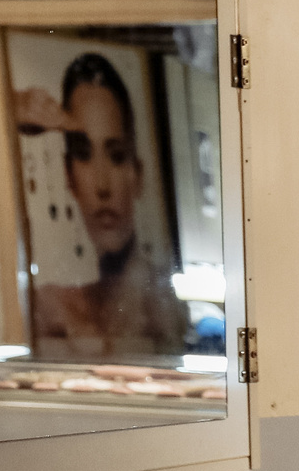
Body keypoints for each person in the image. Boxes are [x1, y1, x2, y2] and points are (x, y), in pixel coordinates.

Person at [13, 51, 191, 358]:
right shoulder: (51, 307)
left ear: (138, 174)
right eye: (84, 155)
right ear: (69, 174)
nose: (102, 186)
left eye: (117, 156)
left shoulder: (164, 308)